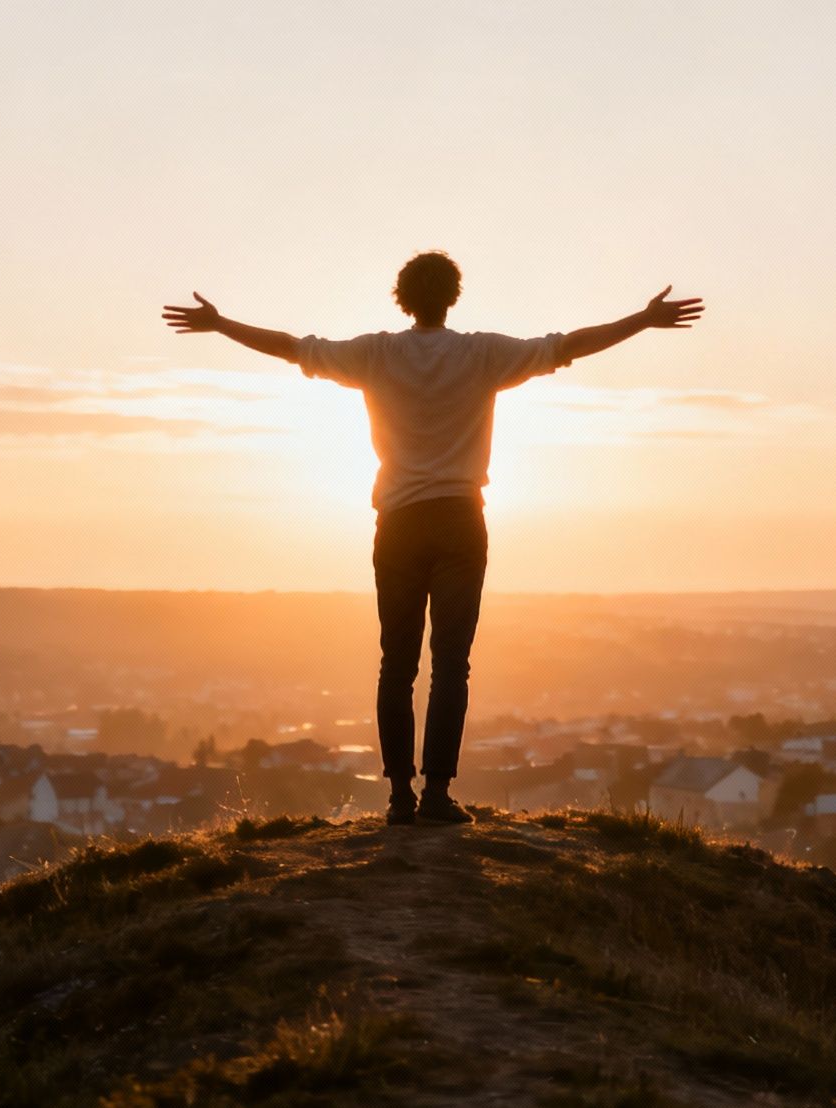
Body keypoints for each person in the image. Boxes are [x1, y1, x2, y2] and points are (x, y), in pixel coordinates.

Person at [163, 252, 702, 826]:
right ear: (453, 295)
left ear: (402, 297)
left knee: (396, 666)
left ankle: (399, 797)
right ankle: (438, 795)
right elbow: (567, 344)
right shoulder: (482, 354)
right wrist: (642, 320)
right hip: (459, 520)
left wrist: (221, 325)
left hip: (397, 523)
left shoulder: (374, 354)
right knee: (451, 664)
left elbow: (293, 346)